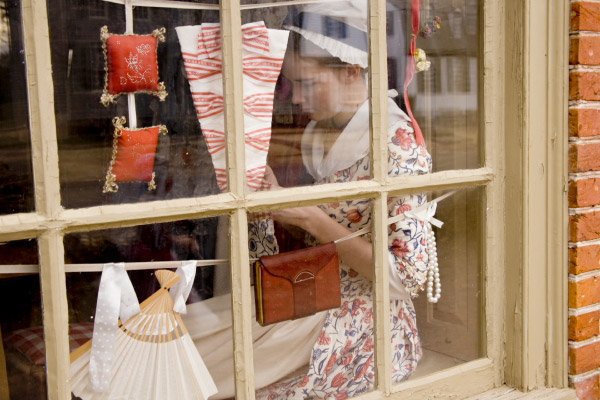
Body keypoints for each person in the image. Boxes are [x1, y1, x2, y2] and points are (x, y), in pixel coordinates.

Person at [183, 1, 434, 398]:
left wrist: (311, 218)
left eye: (307, 84)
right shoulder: (321, 131)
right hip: (307, 293)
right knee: (187, 339)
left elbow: (405, 279)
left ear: (352, 72)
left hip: (362, 321)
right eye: (292, 84)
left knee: (214, 374)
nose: (296, 99)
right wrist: (276, 200)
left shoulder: (396, 144)